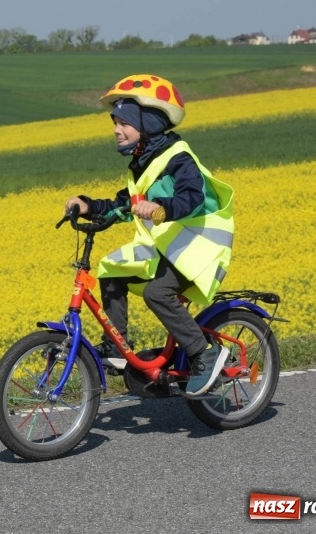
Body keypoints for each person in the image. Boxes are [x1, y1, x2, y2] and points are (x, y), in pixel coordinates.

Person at [64, 74, 235, 396]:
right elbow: (123, 204)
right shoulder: (142, 163)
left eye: (124, 123)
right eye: (115, 123)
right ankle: (117, 346)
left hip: (198, 246)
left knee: (158, 293)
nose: (116, 130)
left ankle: (204, 354)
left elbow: (192, 198)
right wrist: (88, 206)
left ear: (149, 124)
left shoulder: (178, 157)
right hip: (169, 248)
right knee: (111, 271)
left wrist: (161, 207)